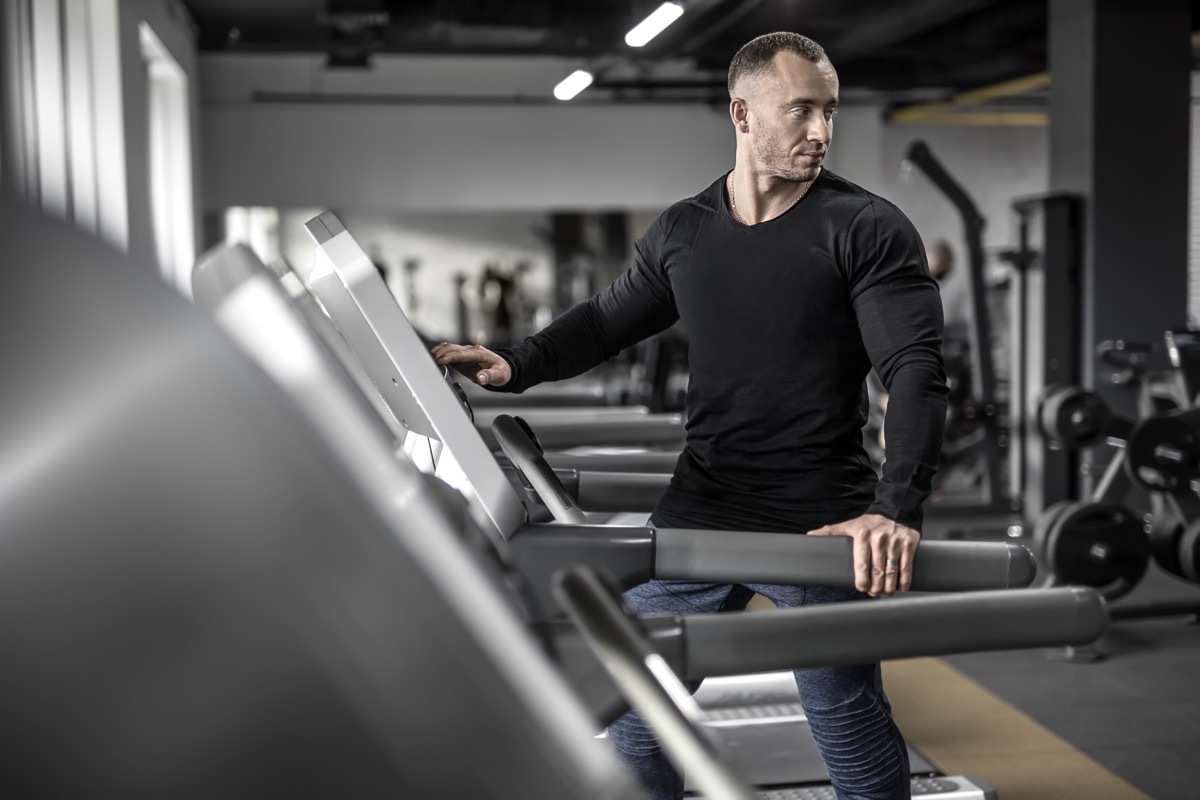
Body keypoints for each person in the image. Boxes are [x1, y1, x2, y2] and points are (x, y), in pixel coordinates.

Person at [432, 31, 947, 800]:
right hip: (705, 503)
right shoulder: (684, 231)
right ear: (742, 113)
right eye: (801, 110)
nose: (822, 132)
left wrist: (894, 508)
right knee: (634, 704)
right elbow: (607, 321)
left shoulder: (865, 227)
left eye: (830, 112)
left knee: (841, 710)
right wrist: (519, 365)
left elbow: (913, 369)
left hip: (820, 516)